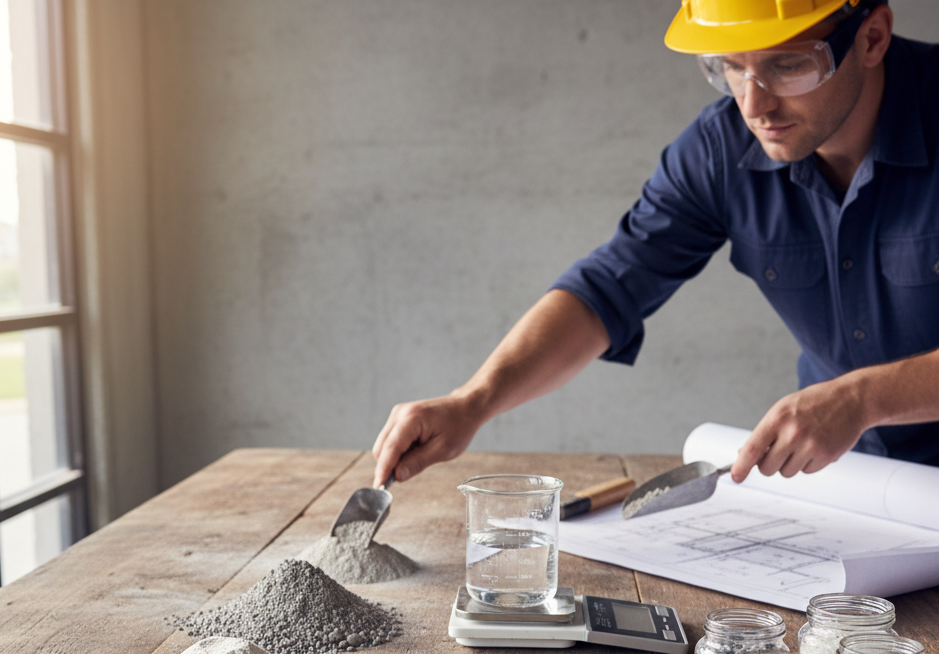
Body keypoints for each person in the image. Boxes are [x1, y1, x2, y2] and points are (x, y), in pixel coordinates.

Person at [372, 0, 939, 490]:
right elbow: (609, 288)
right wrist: (474, 401)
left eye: (786, 66)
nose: (754, 105)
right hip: (851, 486)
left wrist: (864, 398)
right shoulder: (721, 150)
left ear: (872, 37)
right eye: (730, 68)